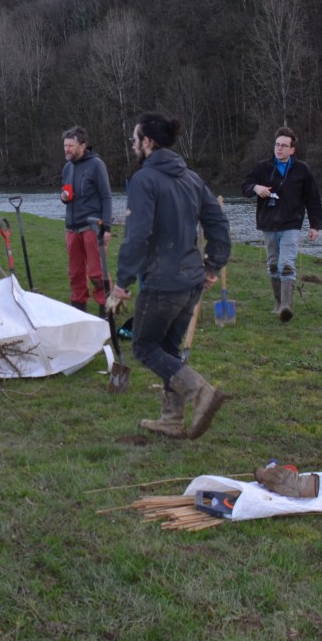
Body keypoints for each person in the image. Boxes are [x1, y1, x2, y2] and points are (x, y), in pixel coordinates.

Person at [108, 113, 232, 440]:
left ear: (147, 142)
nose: (133, 144)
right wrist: (212, 266)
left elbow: (137, 236)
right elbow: (218, 223)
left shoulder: (144, 181)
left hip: (164, 283)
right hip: (191, 280)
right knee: (168, 349)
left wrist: (122, 283)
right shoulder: (191, 178)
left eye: (135, 139)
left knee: (145, 348)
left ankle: (200, 392)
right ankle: (171, 420)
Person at [241, 126, 322, 322]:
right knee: (273, 265)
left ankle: (287, 305)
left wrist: (315, 225)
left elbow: (313, 198)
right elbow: (244, 186)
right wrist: (256, 188)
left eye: (284, 146)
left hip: (291, 225)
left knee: (286, 264)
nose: (279, 149)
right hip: (268, 224)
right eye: (277, 145)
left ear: (292, 150)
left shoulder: (302, 170)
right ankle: (278, 304)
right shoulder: (263, 167)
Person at [60, 125, 114, 312]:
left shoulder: (96, 165)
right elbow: (66, 193)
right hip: (71, 228)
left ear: (82, 146)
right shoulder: (67, 168)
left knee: (97, 273)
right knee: (75, 273)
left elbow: (106, 197)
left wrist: (106, 228)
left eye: (71, 146)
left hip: (92, 227)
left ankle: (105, 310)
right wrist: (64, 197)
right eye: (65, 145)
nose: (67, 149)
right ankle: (78, 311)